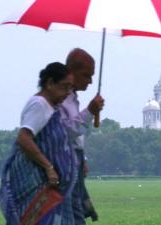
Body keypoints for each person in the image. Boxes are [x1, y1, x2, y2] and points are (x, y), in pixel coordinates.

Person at [0, 62, 77, 225]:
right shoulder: (39, 105)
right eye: (64, 87)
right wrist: (49, 168)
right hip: (37, 184)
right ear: (49, 83)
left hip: (49, 188)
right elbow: (24, 138)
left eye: (70, 88)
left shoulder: (51, 107)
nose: (67, 93)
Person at [61, 48, 104, 223]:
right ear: (71, 73)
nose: (91, 81)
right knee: (73, 211)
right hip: (66, 162)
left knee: (76, 208)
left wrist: (82, 157)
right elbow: (65, 132)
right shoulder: (61, 97)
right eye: (86, 75)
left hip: (75, 160)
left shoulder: (72, 98)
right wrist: (90, 111)